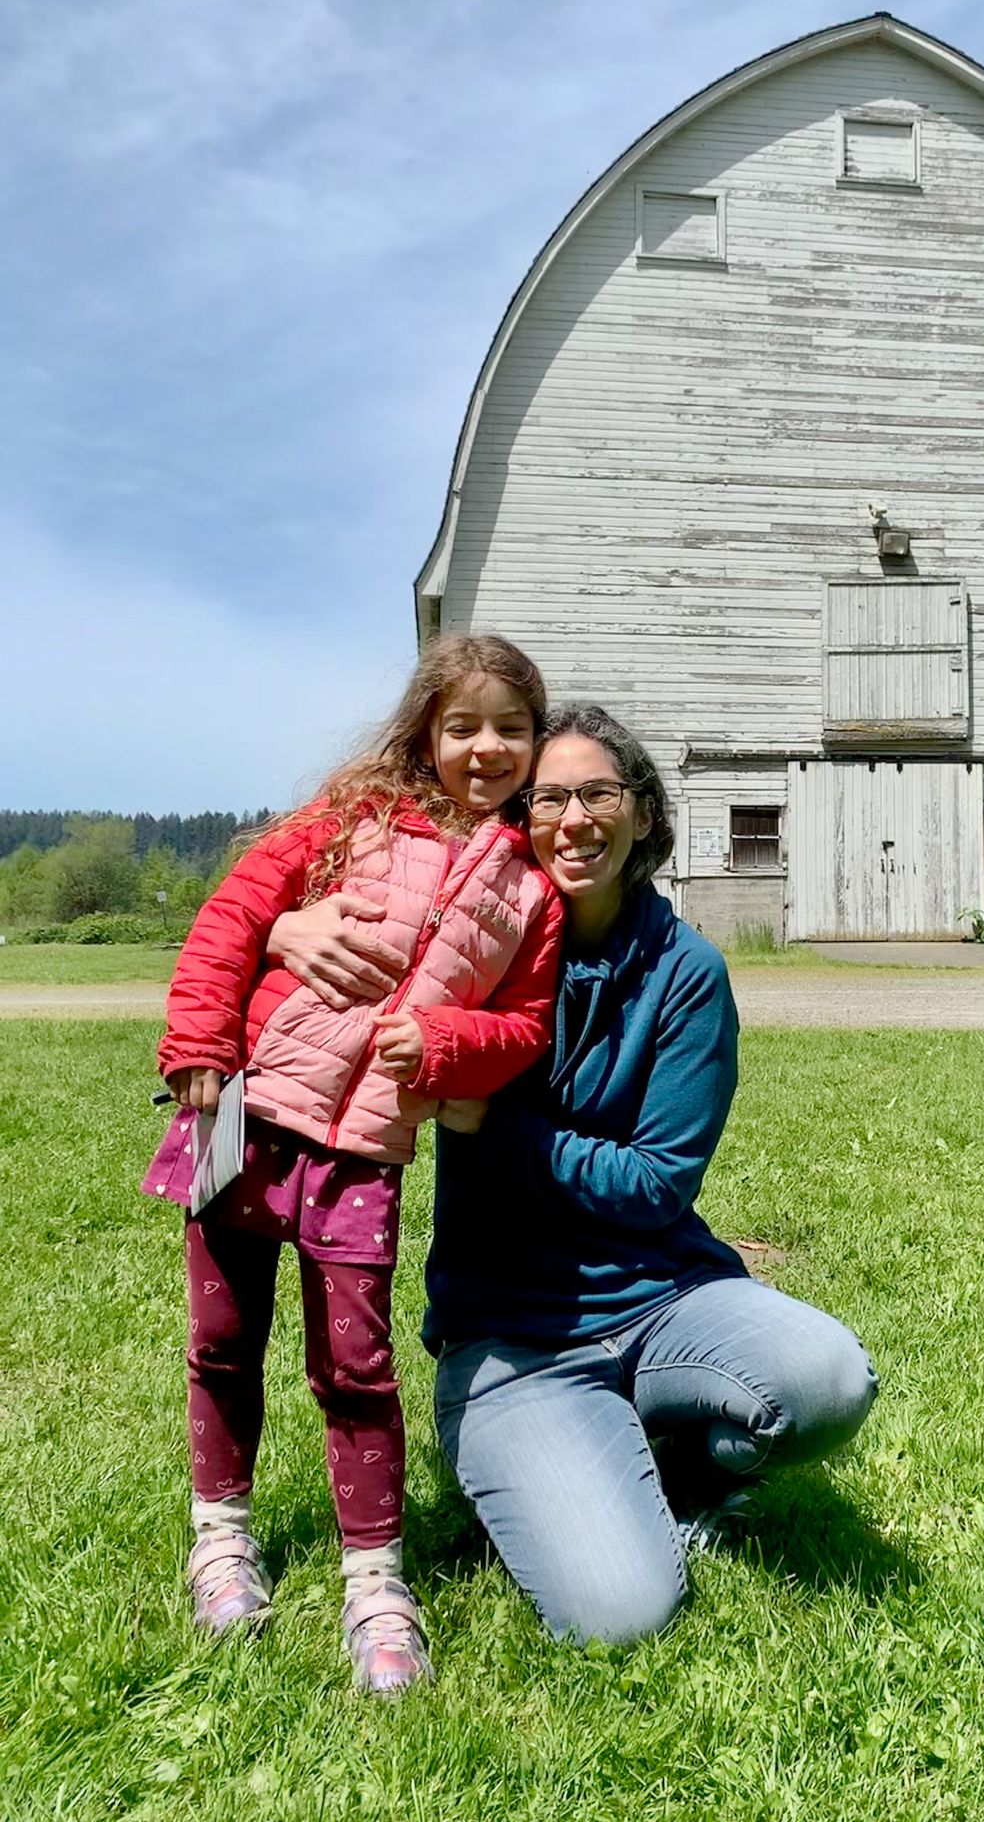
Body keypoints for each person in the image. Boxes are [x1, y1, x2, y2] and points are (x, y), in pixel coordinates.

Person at [270, 703, 877, 1646]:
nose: (573, 818)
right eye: (548, 798)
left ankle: (690, 1468)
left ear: (642, 814)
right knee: (620, 1616)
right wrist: (285, 932)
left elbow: (655, 1186)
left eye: (599, 793)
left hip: (663, 1295)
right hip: (514, 1336)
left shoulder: (686, 973)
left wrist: (495, 1128)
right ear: (520, 822)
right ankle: (551, 1452)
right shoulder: (474, 952)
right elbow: (319, 904)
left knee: (828, 1379)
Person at [144, 634, 563, 1692]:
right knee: (224, 1340)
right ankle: (221, 1536)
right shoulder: (352, 813)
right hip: (247, 1111)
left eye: (510, 727)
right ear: (425, 725)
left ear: (534, 741)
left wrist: (450, 1046)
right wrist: (199, 1043)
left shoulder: (531, 885)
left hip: (367, 1147)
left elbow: (523, 1023)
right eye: (463, 723)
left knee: (357, 1366)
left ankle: (376, 1582)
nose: (486, 746)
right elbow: (237, 912)